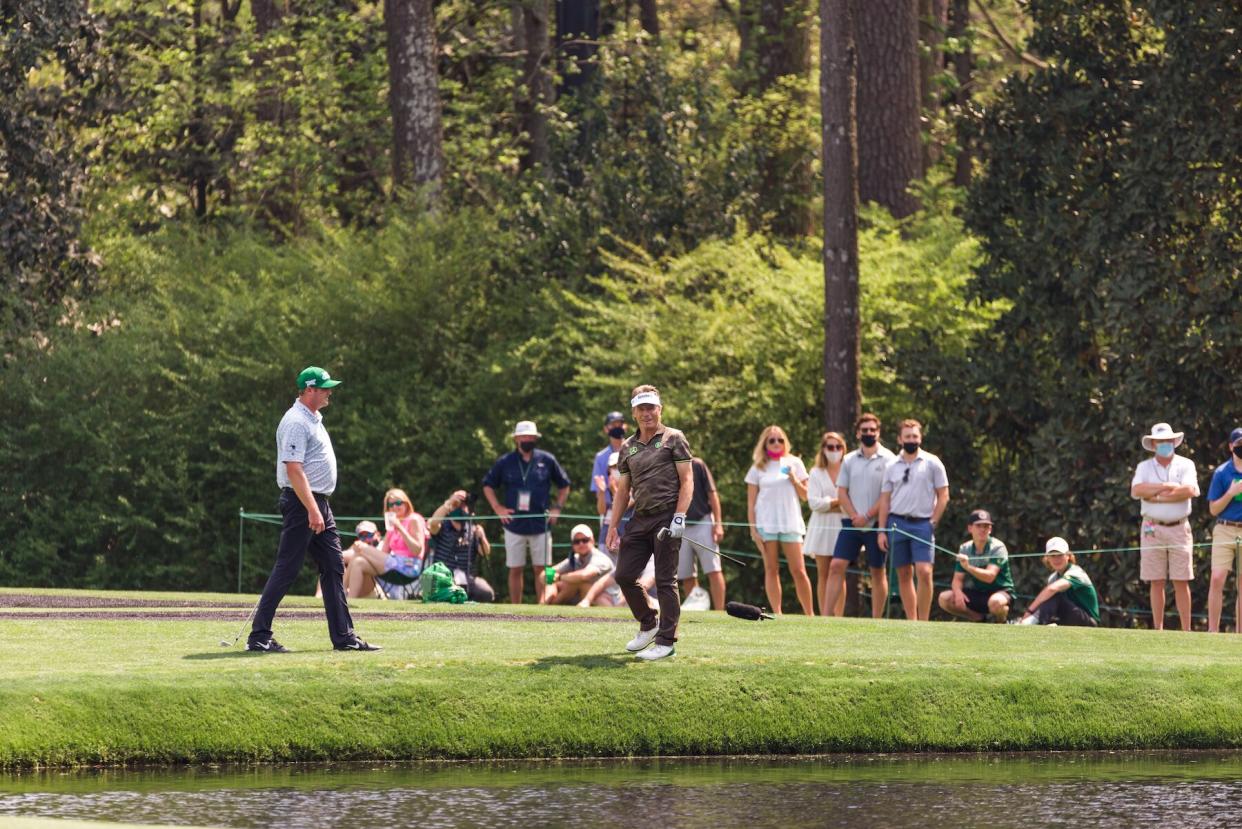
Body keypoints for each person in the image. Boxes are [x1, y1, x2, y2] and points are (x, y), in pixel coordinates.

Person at [248, 366, 379, 653]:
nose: (330, 392)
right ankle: (259, 636)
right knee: (288, 567)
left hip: (317, 503)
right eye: (324, 388)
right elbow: (294, 469)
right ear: (309, 390)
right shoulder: (296, 420)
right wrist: (312, 509)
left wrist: (318, 507)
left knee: (333, 566)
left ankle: (344, 638)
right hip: (302, 503)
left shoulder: (313, 419)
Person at [606, 384, 695, 661]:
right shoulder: (628, 447)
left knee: (666, 580)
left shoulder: (674, 438)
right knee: (623, 575)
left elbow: (687, 480)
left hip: (667, 515)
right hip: (640, 518)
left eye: (651, 408)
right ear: (634, 412)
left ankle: (666, 641)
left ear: (660, 409)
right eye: (641, 409)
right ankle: (648, 622)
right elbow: (623, 491)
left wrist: (680, 515)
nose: (647, 414)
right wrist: (613, 525)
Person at [482, 420, 571, 605]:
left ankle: (542, 608)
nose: (528, 439)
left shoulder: (547, 459)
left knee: (542, 569)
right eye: (524, 436)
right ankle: (516, 609)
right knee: (515, 569)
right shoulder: (505, 461)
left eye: (531, 436)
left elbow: (564, 486)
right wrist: (497, 508)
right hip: (513, 524)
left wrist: (557, 508)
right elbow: (488, 485)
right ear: (516, 439)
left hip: (541, 524)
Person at [876, 419, 950, 621]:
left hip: (922, 524)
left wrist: (933, 521)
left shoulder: (932, 462)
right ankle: (912, 621)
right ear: (900, 439)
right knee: (904, 574)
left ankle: (924, 621)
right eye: (907, 436)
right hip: (896, 523)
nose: (912, 440)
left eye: (915, 436)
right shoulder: (891, 465)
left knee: (924, 572)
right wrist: (881, 530)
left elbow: (943, 495)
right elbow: (884, 500)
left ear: (920, 437)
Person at [824, 413, 897, 618]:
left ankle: (876, 620)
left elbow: (886, 495)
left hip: (876, 524)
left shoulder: (890, 459)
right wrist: (856, 515)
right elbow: (842, 492)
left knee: (877, 570)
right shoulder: (848, 460)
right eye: (864, 430)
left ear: (878, 432)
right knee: (836, 566)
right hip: (851, 522)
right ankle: (826, 617)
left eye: (872, 430)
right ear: (858, 433)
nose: (869, 433)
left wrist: (867, 515)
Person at [1130, 422, 1198, 631]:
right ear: (1154, 443)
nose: (1165, 444)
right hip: (1152, 528)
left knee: (1181, 580)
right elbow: (1137, 490)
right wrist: (1165, 488)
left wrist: (1155, 497)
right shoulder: (1144, 467)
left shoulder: (1186, 464)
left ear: (1173, 442)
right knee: (1156, 580)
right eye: (1160, 441)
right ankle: (1158, 629)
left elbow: (1189, 490)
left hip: (1179, 527)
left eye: (1168, 441)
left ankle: (1186, 630)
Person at [745, 425, 814, 616]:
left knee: (799, 570)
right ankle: (778, 612)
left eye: (780, 440)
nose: (776, 443)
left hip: (790, 523)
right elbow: (751, 503)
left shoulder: (795, 463)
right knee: (771, 568)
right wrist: (753, 530)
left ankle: (810, 614)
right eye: (772, 440)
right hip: (766, 525)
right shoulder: (758, 467)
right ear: (765, 444)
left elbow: (806, 496)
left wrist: (793, 478)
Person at [345, 488, 426, 599]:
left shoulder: (414, 519)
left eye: (398, 503)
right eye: (390, 505)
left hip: (409, 567)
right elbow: (384, 553)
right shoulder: (392, 524)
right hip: (393, 565)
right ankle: (348, 602)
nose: (394, 507)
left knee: (361, 547)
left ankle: (341, 591)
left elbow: (417, 551)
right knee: (359, 561)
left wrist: (400, 527)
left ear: (406, 503)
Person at [937, 510, 1014, 623]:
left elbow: (990, 577)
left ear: (990, 529)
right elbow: (957, 579)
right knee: (944, 599)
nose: (983, 529)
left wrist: (968, 567)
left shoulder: (998, 547)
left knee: (996, 603)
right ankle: (978, 618)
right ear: (970, 528)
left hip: (1001, 591)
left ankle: (1002, 622)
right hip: (978, 592)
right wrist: (958, 592)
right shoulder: (965, 548)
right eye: (978, 526)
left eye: (986, 526)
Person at [426, 489, 495, 603]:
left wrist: (482, 537)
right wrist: (450, 503)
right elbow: (433, 523)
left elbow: (485, 552)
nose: (460, 507)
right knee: (444, 591)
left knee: (487, 593)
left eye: (463, 504)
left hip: (467, 577)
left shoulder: (472, 529)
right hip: (444, 576)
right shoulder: (443, 525)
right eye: (457, 504)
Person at [677, 457, 727, 611]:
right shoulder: (666, 466)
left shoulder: (697, 464)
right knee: (686, 574)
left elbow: (713, 495)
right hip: (681, 524)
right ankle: (697, 610)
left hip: (703, 522)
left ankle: (719, 612)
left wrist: (718, 524)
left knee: (713, 569)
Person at [1205, 427, 1242, 633]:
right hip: (1225, 529)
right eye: (1238, 445)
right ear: (1231, 446)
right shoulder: (1221, 472)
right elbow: (1213, 509)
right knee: (1217, 577)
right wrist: (1231, 492)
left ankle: (1240, 633)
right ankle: (1213, 631)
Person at [807, 431, 847, 616]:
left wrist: (830, 503)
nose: (834, 450)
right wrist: (838, 502)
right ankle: (824, 615)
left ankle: (839, 616)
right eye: (830, 447)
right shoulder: (816, 472)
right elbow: (814, 503)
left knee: (839, 571)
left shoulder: (848, 470)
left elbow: (853, 499)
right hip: (821, 527)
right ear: (823, 449)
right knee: (823, 572)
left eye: (838, 447)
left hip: (842, 525)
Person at [1018, 537, 1100, 627]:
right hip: (1068, 618)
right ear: (1047, 558)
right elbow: (1047, 601)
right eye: (1053, 555)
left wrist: (1029, 612)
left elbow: (1052, 589)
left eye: (1060, 555)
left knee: (1054, 595)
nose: (1057, 559)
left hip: (1088, 622)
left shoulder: (1076, 572)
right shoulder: (1053, 578)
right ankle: (1036, 623)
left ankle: (1035, 624)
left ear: (1068, 556)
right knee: (1049, 597)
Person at [545, 524, 616, 605]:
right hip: (586, 598)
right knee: (556, 582)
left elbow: (584, 575)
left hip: (608, 599)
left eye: (585, 540)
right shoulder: (574, 559)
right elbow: (547, 573)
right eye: (577, 542)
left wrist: (560, 578)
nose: (581, 544)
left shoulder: (600, 558)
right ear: (572, 545)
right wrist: (550, 583)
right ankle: (546, 604)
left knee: (577, 583)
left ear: (592, 540)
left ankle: (550, 605)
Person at [592, 411, 628, 539]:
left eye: (620, 424)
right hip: (609, 514)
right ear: (606, 429)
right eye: (613, 424)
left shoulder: (634, 450)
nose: (617, 427)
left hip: (633, 513)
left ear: (625, 426)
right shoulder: (601, 458)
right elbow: (599, 495)